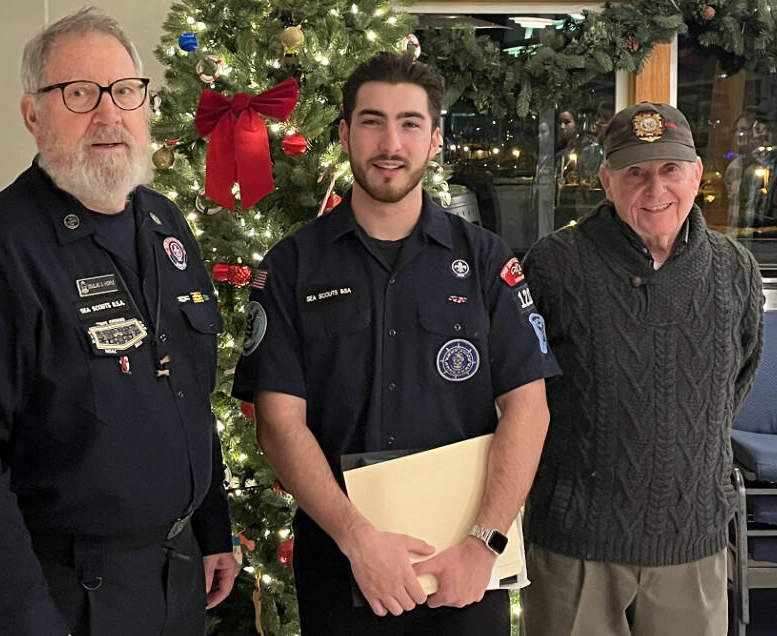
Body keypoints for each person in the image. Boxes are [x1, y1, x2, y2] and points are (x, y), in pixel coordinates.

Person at [0, 9, 238, 636]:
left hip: (170, 579)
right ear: (33, 115)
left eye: (124, 91)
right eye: (79, 93)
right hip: (54, 595)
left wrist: (211, 528)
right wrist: (29, 621)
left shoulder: (163, 224)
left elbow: (187, 395)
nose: (108, 114)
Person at [232, 52, 559, 635]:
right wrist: (359, 540)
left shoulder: (485, 261)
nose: (391, 142)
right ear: (344, 134)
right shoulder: (290, 267)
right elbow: (279, 423)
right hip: (341, 567)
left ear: (434, 139)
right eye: (372, 121)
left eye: (410, 123)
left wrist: (485, 543)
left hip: (463, 566)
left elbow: (528, 407)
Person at [521, 102, 764, 636]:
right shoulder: (554, 265)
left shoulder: (736, 270)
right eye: (635, 173)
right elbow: (523, 397)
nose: (655, 190)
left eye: (669, 170)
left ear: (697, 174)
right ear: (607, 181)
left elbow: (733, 384)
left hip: (692, 540)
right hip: (575, 546)